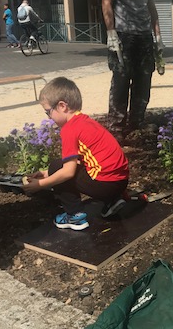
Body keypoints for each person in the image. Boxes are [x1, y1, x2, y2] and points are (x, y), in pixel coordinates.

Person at [22, 77, 129, 230]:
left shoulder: (69, 129)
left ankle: (74, 216)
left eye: (48, 112)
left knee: (57, 166)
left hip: (105, 185)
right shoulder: (85, 121)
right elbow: (88, 159)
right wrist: (46, 173)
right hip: (120, 183)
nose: (49, 117)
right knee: (57, 168)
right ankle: (113, 201)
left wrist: (40, 185)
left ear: (62, 106)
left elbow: (67, 172)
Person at [101, 0, 163, 137]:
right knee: (121, 79)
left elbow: (151, 7)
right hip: (123, 34)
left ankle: (137, 122)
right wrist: (111, 33)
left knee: (144, 80)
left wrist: (158, 36)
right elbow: (106, 2)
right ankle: (116, 126)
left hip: (144, 36)